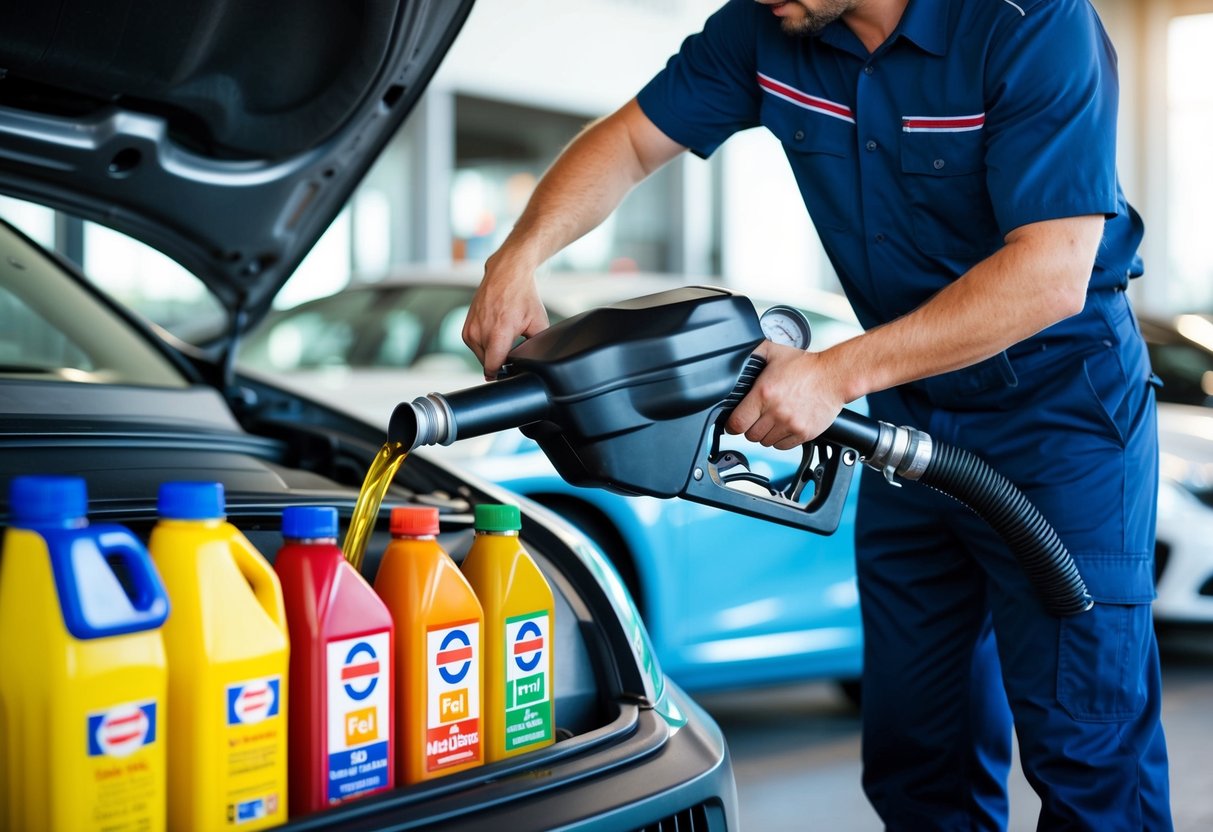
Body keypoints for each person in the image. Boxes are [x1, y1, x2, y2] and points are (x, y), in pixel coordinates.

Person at [462, 0, 1172, 828]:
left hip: (1059, 423)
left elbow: (1050, 273)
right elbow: (628, 142)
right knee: (918, 754)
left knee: (1087, 753)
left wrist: (834, 374)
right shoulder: (766, 26)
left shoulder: (1029, 21)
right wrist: (518, 254)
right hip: (909, 417)